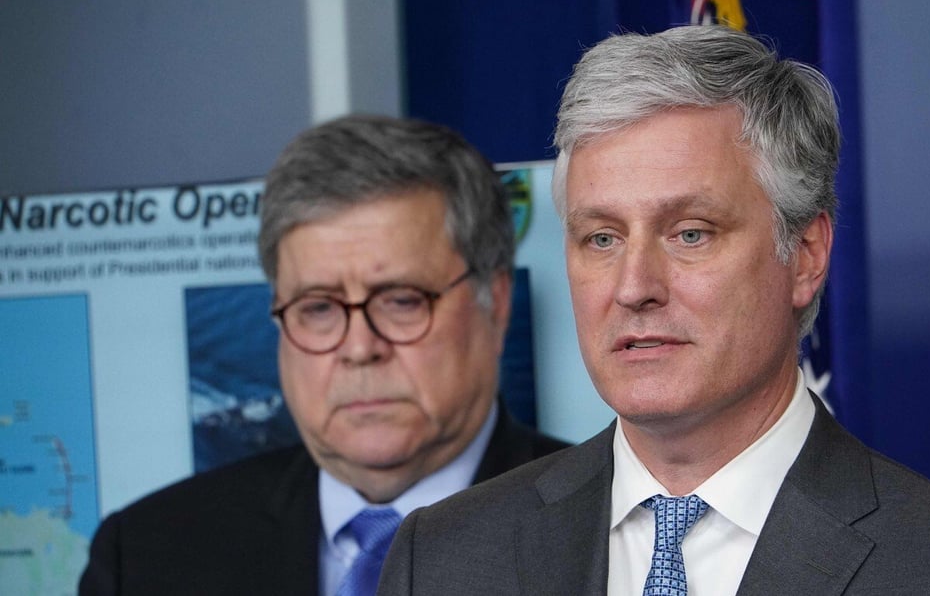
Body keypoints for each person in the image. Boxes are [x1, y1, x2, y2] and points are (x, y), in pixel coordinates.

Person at [378, 25, 930, 595]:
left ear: (804, 254)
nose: (634, 286)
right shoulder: (441, 557)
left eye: (690, 232)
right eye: (602, 238)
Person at [78, 115, 569, 596]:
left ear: (496, 304)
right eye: (317, 308)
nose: (359, 349)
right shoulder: (146, 557)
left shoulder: (607, 530)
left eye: (401, 301)